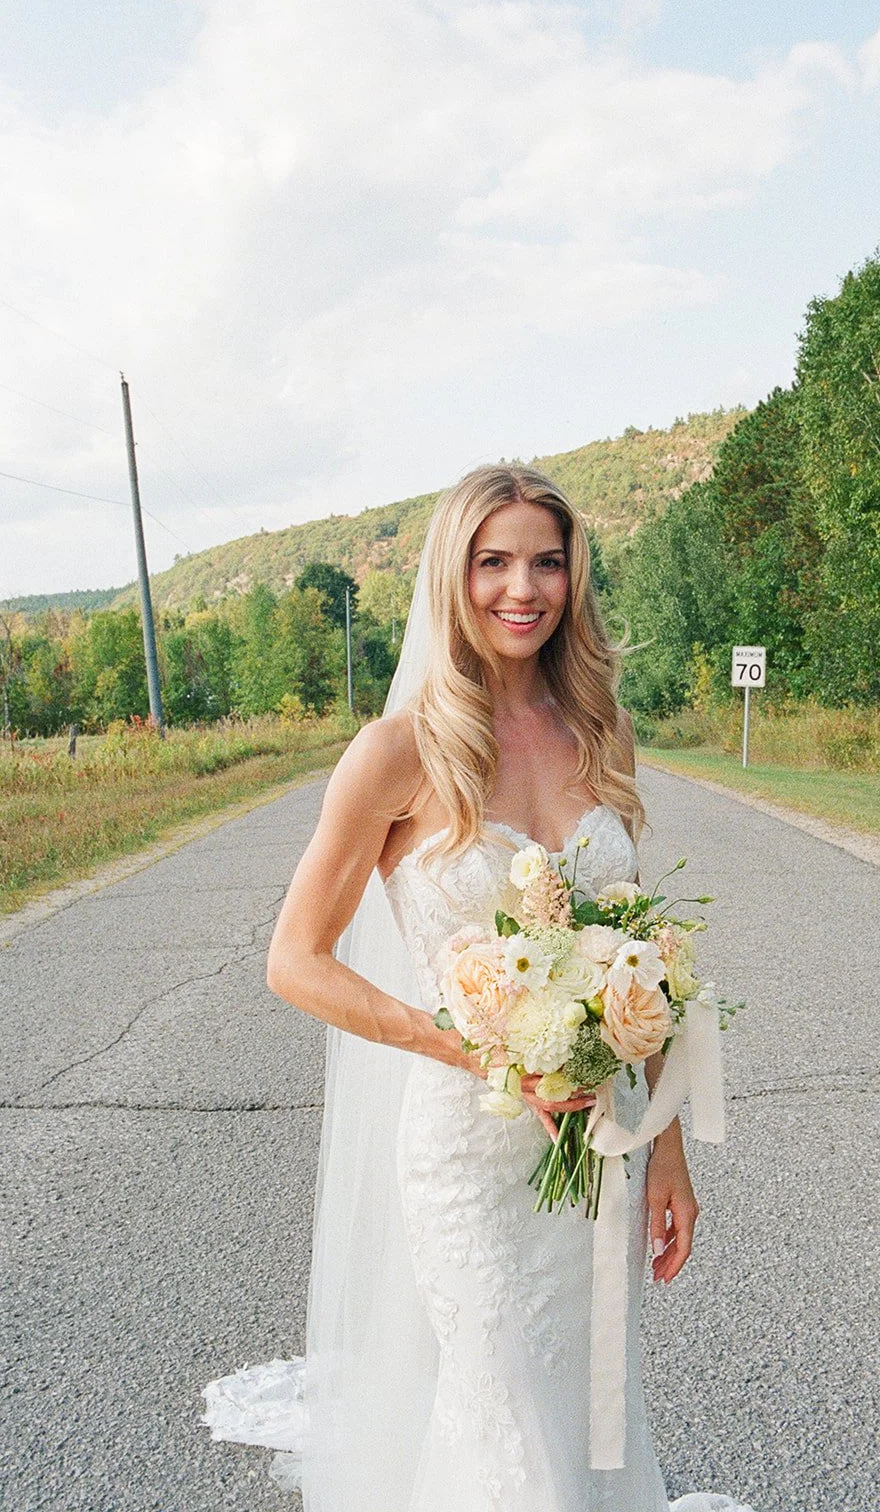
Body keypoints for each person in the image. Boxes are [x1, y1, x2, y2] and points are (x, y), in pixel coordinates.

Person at [202, 464, 748, 1512]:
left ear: (572, 578)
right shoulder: (397, 752)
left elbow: (641, 957)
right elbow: (294, 959)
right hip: (467, 1147)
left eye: (546, 561)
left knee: (591, 1403)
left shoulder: (602, 732)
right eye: (492, 561)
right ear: (452, 577)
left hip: (601, 1143)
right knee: (501, 1411)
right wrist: (476, 1048)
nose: (521, 588)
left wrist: (667, 1148)